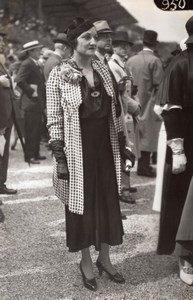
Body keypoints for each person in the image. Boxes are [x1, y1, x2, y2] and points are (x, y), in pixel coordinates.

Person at [46, 17, 134, 291]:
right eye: (87, 37)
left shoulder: (103, 69)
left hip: (104, 147)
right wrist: (60, 158)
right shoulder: (58, 74)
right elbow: (54, 119)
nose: (93, 41)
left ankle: (105, 259)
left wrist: (122, 144)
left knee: (108, 200)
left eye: (94, 36)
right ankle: (85, 261)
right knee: (80, 205)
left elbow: (114, 111)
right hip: (77, 150)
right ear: (74, 42)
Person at [156, 16, 193, 286]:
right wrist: (178, 149)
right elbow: (171, 111)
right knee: (182, 195)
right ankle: (185, 254)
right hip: (187, 138)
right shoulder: (180, 62)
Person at [108, 31, 141, 203]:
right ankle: (123, 188)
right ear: (114, 47)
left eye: (127, 45)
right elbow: (120, 95)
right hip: (123, 112)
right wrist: (136, 107)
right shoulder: (113, 66)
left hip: (127, 112)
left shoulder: (121, 64)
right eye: (122, 45)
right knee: (125, 150)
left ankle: (125, 184)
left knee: (128, 149)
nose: (126, 48)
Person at [126, 30, 163, 177]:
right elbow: (160, 85)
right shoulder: (155, 61)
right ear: (154, 44)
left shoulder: (130, 60)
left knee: (134, 134)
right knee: (148, 135)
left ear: (143, 42)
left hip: (131, 101)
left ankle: (131, 167)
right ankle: (144, 167)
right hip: (148, 103)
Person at [15, 40, 46, 164]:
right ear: (31, 51)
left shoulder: (35, 63)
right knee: (30, 131)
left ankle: (35, 153)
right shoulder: (27, 63)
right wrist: (31, 92)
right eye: (38, 50)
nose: (40, 52)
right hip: (31, 103)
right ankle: (29, 156)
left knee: (36, 129)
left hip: (36, 103)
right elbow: (19, 80)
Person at [0, 31, 18, 195]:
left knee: (3, 152)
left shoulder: (1, 60)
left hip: (6, 114)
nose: (2, 44)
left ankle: (1, 183)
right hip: (1, 117)